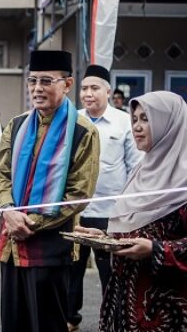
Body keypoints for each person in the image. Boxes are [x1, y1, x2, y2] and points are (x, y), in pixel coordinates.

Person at [0, 50, 100, 332]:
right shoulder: (16, 125)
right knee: (13, 323)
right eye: (32, 81)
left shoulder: (82, 131)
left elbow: (79, 195)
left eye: (46, 81)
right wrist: (8, 211)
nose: (37, 88)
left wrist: (27, 223)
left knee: (48, 324)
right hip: (12, 246)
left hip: (52, 247)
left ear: (67, 84)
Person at [74, 91, 187, 331]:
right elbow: (136, 228)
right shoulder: (140, 172)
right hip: (124, 304)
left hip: (166, 311)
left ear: (170, 124)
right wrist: (106, 237)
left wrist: (155, 250)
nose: (136, 126)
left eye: (146, 119)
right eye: (134, 119)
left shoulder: (184, 181)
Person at [67, 64, 143, 331]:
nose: (88, 93)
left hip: (111, 213)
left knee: (109, 272)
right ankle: (70, 318)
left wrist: (130, 210)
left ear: (108, 91)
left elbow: (135, 168)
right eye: (84, 88)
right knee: (72, 268)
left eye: (94, 88)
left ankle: (111, 321)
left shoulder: (124, 122)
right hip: (75, 210)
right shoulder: (72, 119)